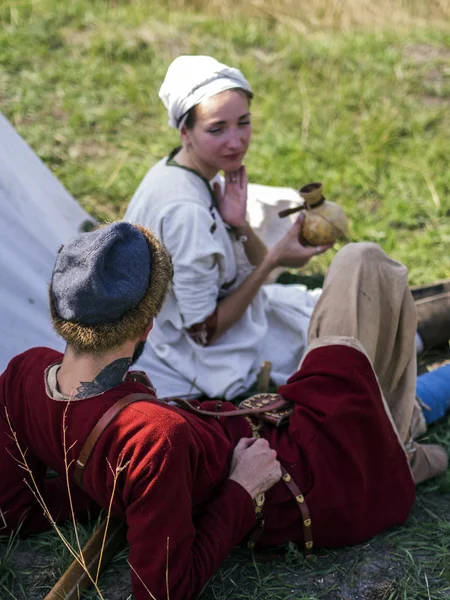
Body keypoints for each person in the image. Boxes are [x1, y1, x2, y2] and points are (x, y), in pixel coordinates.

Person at [0, 221, 447, 600]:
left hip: (281, 427)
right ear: (146, 325)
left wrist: (124, 497)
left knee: (395, 400)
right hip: (321, 474)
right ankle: (405, 439)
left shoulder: (24, 374)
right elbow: (162, 590)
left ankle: (407, 426)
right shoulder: (152, 437)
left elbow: (14, 509)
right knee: (361, 261)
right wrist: (240, 487)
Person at [124, 55, 448, 402]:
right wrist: (274, 259)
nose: (235, 142)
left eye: (243, 122)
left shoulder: (186, 167)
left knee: (349, 311)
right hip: (208, 358)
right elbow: (204, 333)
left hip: (242, 320)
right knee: (365, 341)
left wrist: (239, 224)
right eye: (217, 128)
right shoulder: (184, 211)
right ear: (184, 131)